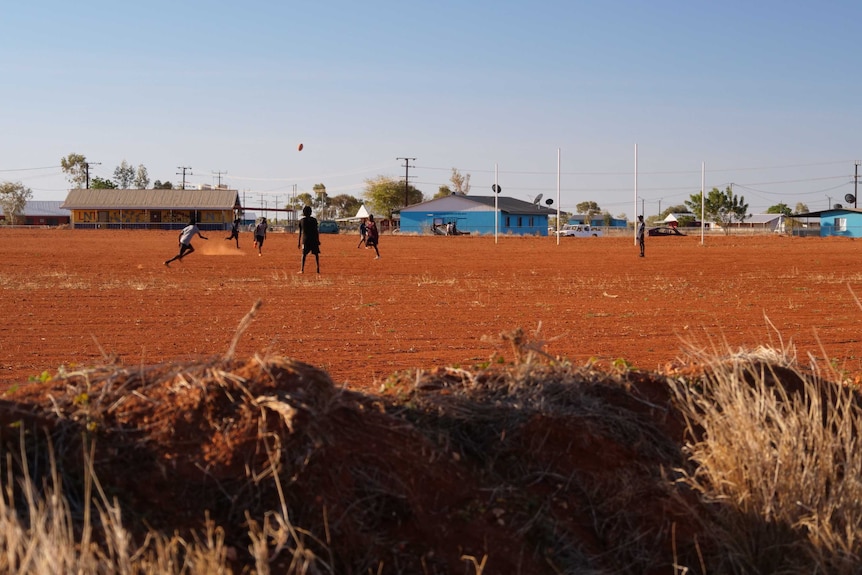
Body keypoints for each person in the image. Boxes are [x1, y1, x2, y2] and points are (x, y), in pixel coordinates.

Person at [297, 205, 320, 273]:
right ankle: (318, 268)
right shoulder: (314, 220)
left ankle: (302, 269)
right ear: (311, 212)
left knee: (304, 255)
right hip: (314, 240)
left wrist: (299, 242)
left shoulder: (301, 221)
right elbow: (316, 231)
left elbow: (300, 233)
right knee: (316, 254)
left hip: (305, 240)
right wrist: (318, 240)